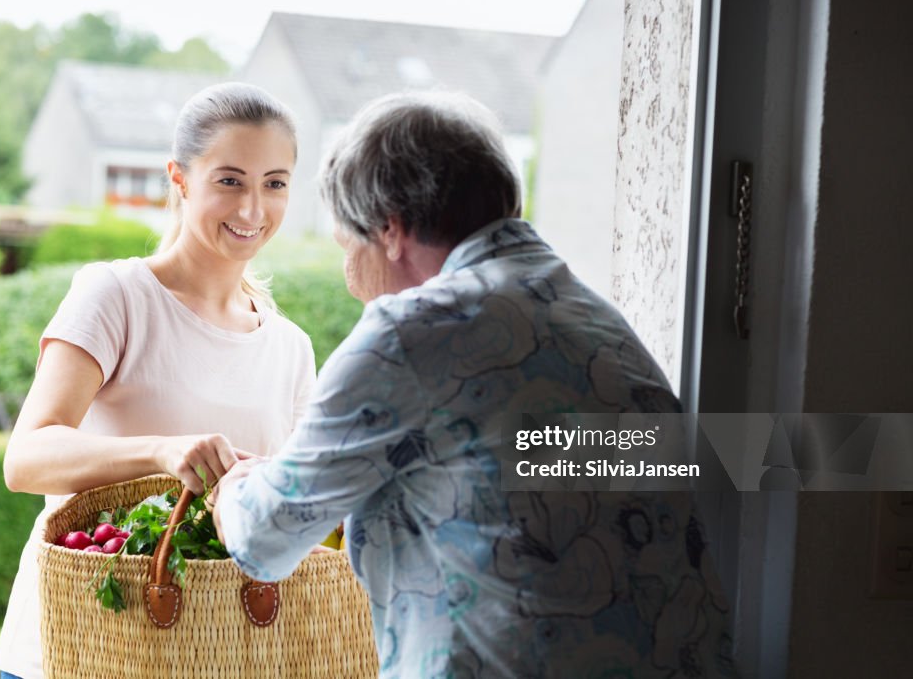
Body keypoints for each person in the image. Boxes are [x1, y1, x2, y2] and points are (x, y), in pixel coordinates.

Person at [213, 91, 738, 678]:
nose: (349, 281)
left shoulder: (407, 335)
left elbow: (264, 539)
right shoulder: (593, 317)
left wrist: (237, 485)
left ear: (389, 229)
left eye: (346, 247)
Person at [0, 82, 315, 679]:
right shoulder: (116, 296)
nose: (252, 209)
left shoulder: (291, 348)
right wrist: (163, 452)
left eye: (274, 183)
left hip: (212, 656)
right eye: (229, 180)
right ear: (180, 178)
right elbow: (27, 458)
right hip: (78, 648)